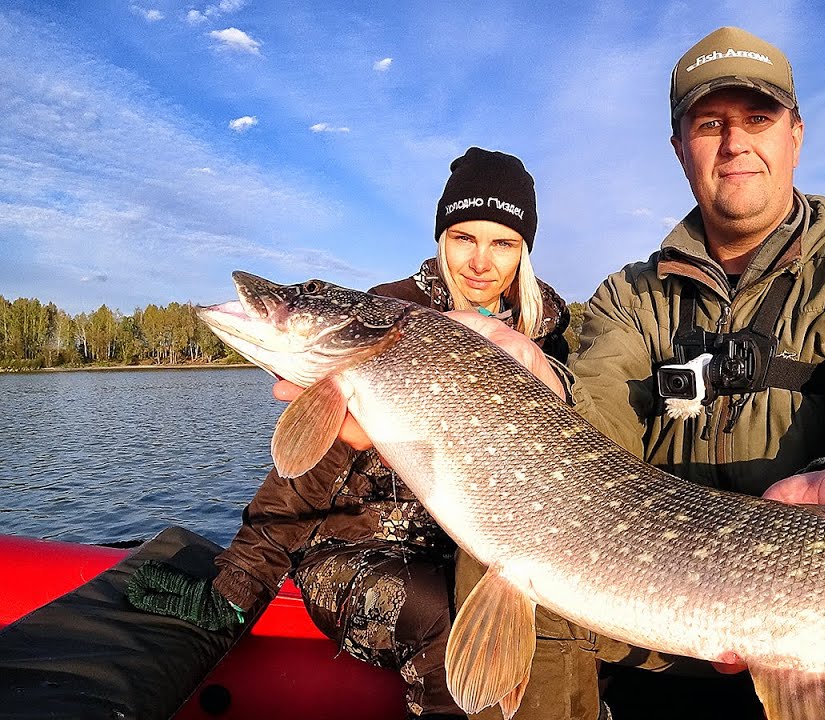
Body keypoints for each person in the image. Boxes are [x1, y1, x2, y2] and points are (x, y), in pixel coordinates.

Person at [294, 27, 825, 720]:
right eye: (710, 124)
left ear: (795, 133)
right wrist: (531, 389)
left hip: (816, 606)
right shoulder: (627, 297)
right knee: (504, 556)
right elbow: (594, 419)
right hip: (641, 625)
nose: (735, 143)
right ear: (680, 146)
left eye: (757, 119)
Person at [127, 147, 570, 720]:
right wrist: (237, 586)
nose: (481, 262)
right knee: (438, 614)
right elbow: (300, 474)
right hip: (351, 552)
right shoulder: (389, 317)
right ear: (441, 238)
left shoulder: (544, 341)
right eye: (464, 237)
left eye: (503, 242)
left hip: (485, 557)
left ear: (525, 251)